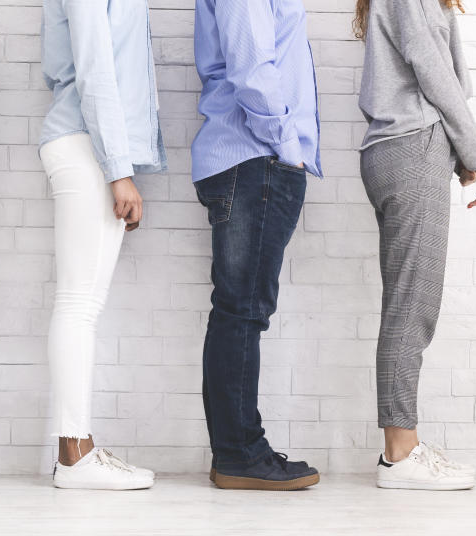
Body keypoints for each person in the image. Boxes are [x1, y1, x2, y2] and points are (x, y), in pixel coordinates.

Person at [355, 0, 476, 490]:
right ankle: (400, 453)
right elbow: (435, 72)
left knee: (407, 303)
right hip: (413, 147)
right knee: (412, 306)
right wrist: (475, 153)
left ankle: (403, 447)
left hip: (402, 148)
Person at [191, 0, 322, 490]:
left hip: (258, 161)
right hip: (256, 158)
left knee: (240, 311)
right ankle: (240, 453)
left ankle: (237, 450)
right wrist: (287, 146)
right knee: (241, 312)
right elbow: (251, 67)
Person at [40, 0, 166, 490]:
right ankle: (74, 456)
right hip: (85, 146)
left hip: (90, 146)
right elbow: (93, 69)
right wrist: (119, 169)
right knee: (78, 304)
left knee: (81, 304)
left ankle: (77, 450)